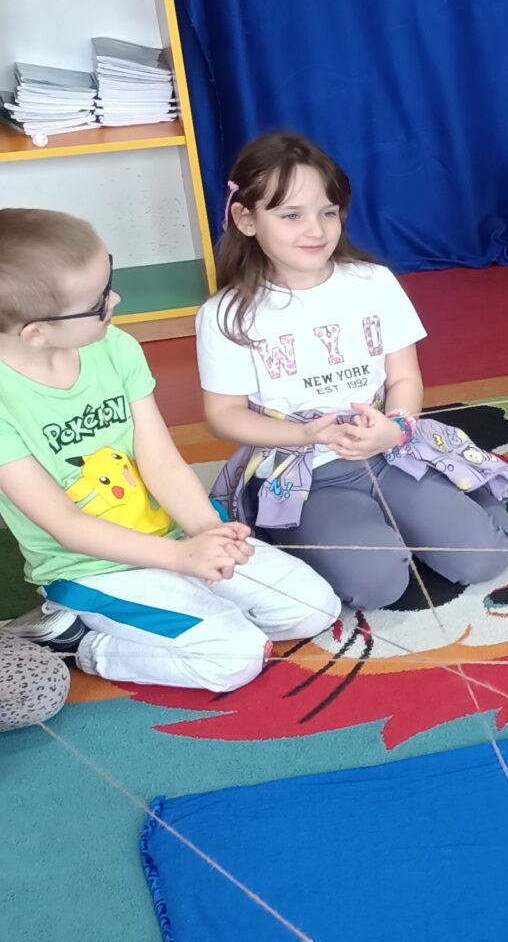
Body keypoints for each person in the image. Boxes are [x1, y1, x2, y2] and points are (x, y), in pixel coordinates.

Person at [0, 209, 338, 690]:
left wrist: (206, 532)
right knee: (235, 658)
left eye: (109, 279)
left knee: (314, 609)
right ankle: (79, 641)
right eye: (98, 302)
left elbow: (159, 458)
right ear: (35, 332)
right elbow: (66, 525)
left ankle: (187, 605)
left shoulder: (115, 347)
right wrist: (181, 559)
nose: (115, 299)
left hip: (176, 538)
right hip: (95, 571)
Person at [197, 133, 508, 608]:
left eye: (328, 212)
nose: (316, 230)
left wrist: (396, 427)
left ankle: (454, 497)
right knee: (378, 586)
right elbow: (224, 414)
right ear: (246, 219)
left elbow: (404, 377)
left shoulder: (373, 282)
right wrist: (305, 436)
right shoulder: (226, 313)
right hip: (304, 475)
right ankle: (300, 529)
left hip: (388, 452)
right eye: (291, 215)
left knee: (484, 558)